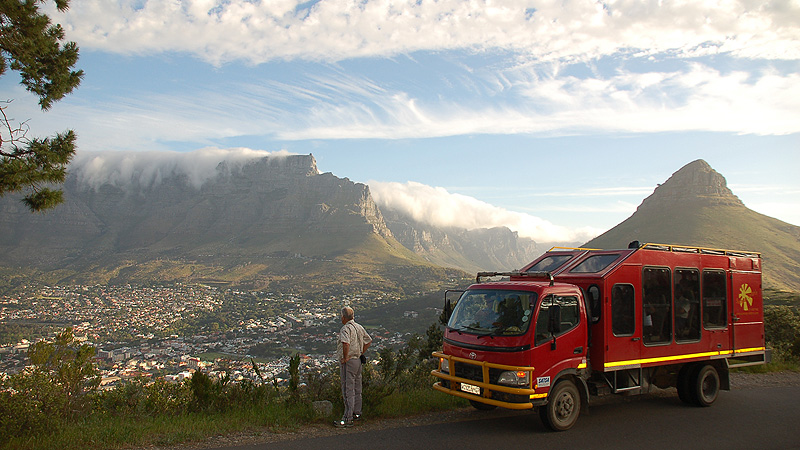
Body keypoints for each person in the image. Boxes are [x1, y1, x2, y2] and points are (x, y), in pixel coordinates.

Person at [335, 306, 372, 428]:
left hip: (349, 361)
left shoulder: (346, 329)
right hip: (358, 361)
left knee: (348, 388)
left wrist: (345, 357)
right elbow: (368, 340)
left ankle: (347, 418)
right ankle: (357, 413)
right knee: (357, 387)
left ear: (344, 317)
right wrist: (361, 352)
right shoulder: (359, 327)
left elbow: (346, 343)